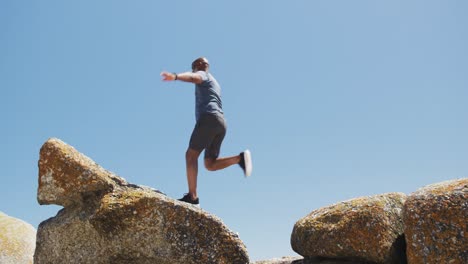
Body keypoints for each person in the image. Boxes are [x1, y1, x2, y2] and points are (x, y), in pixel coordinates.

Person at [161, 57, 252, 205]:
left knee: (191, 155)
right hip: (220, 123)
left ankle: (192, 196)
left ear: (197, 66)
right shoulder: (215, 82)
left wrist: (176, 76)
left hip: (208, 120)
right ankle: (239, 158)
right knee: (210, 164)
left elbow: (194, 77)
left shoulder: (203, 75)